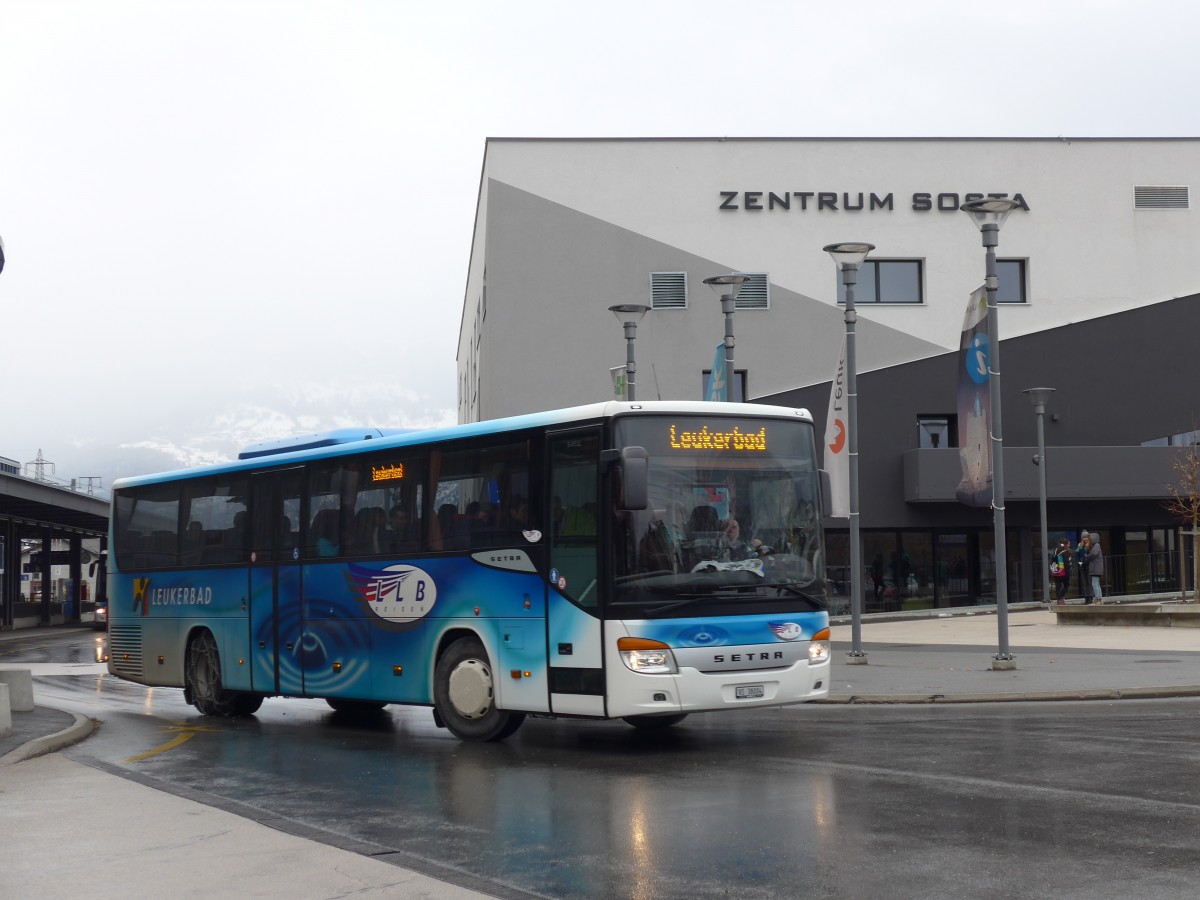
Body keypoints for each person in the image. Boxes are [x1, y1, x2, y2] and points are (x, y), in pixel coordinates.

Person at [1051, 538, 1072, 605]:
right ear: (1065, 544)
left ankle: (1059, 600)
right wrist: (1068, 573)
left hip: (1055, 571)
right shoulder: (1065, 551)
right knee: (1066, 585)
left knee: (1058, 586)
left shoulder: (1055, 550)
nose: (1069, 545)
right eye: (1068, 544)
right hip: (1063, 572)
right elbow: (1066, 563)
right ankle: (1061, 598)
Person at [1076, 531, 1093, 603]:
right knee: (1084, 582)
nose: (1085, 539)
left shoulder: (1091, 545)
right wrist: (1079, 563)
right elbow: (1077, 556)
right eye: (1084, 537)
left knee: (1090, 582)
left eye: (1086, 537)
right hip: (1082, 566)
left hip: (1089, 565)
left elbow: (1092, 555)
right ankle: (1086, 597)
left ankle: (1091, 597)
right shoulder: (1079, 546)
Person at [1087, 532, 1105, 603]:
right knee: (1096, 583)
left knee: (1095, 584)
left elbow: (1093, 554)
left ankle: (1098, 598)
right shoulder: (1096, 546)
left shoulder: (1096, 545)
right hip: (1096, 568)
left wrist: (1087, 556)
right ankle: (1099, 598)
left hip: (1095, 568)